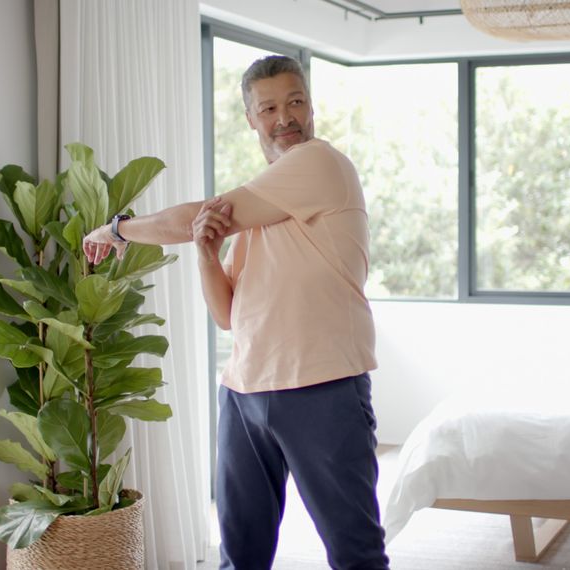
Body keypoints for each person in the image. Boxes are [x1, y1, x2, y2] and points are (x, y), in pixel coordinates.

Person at [82, 55, 389, 570]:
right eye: (268, 107)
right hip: (245, 391)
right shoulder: (262, 203)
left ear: (311, 106)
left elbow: (192, 217)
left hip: (322, 385)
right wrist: (205, 254)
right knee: (239, 555)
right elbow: (227, 313)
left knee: (354, 550)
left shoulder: (319, 164)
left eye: (295, 102)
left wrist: (116, 230)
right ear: (251, 118)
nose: (284, 117)